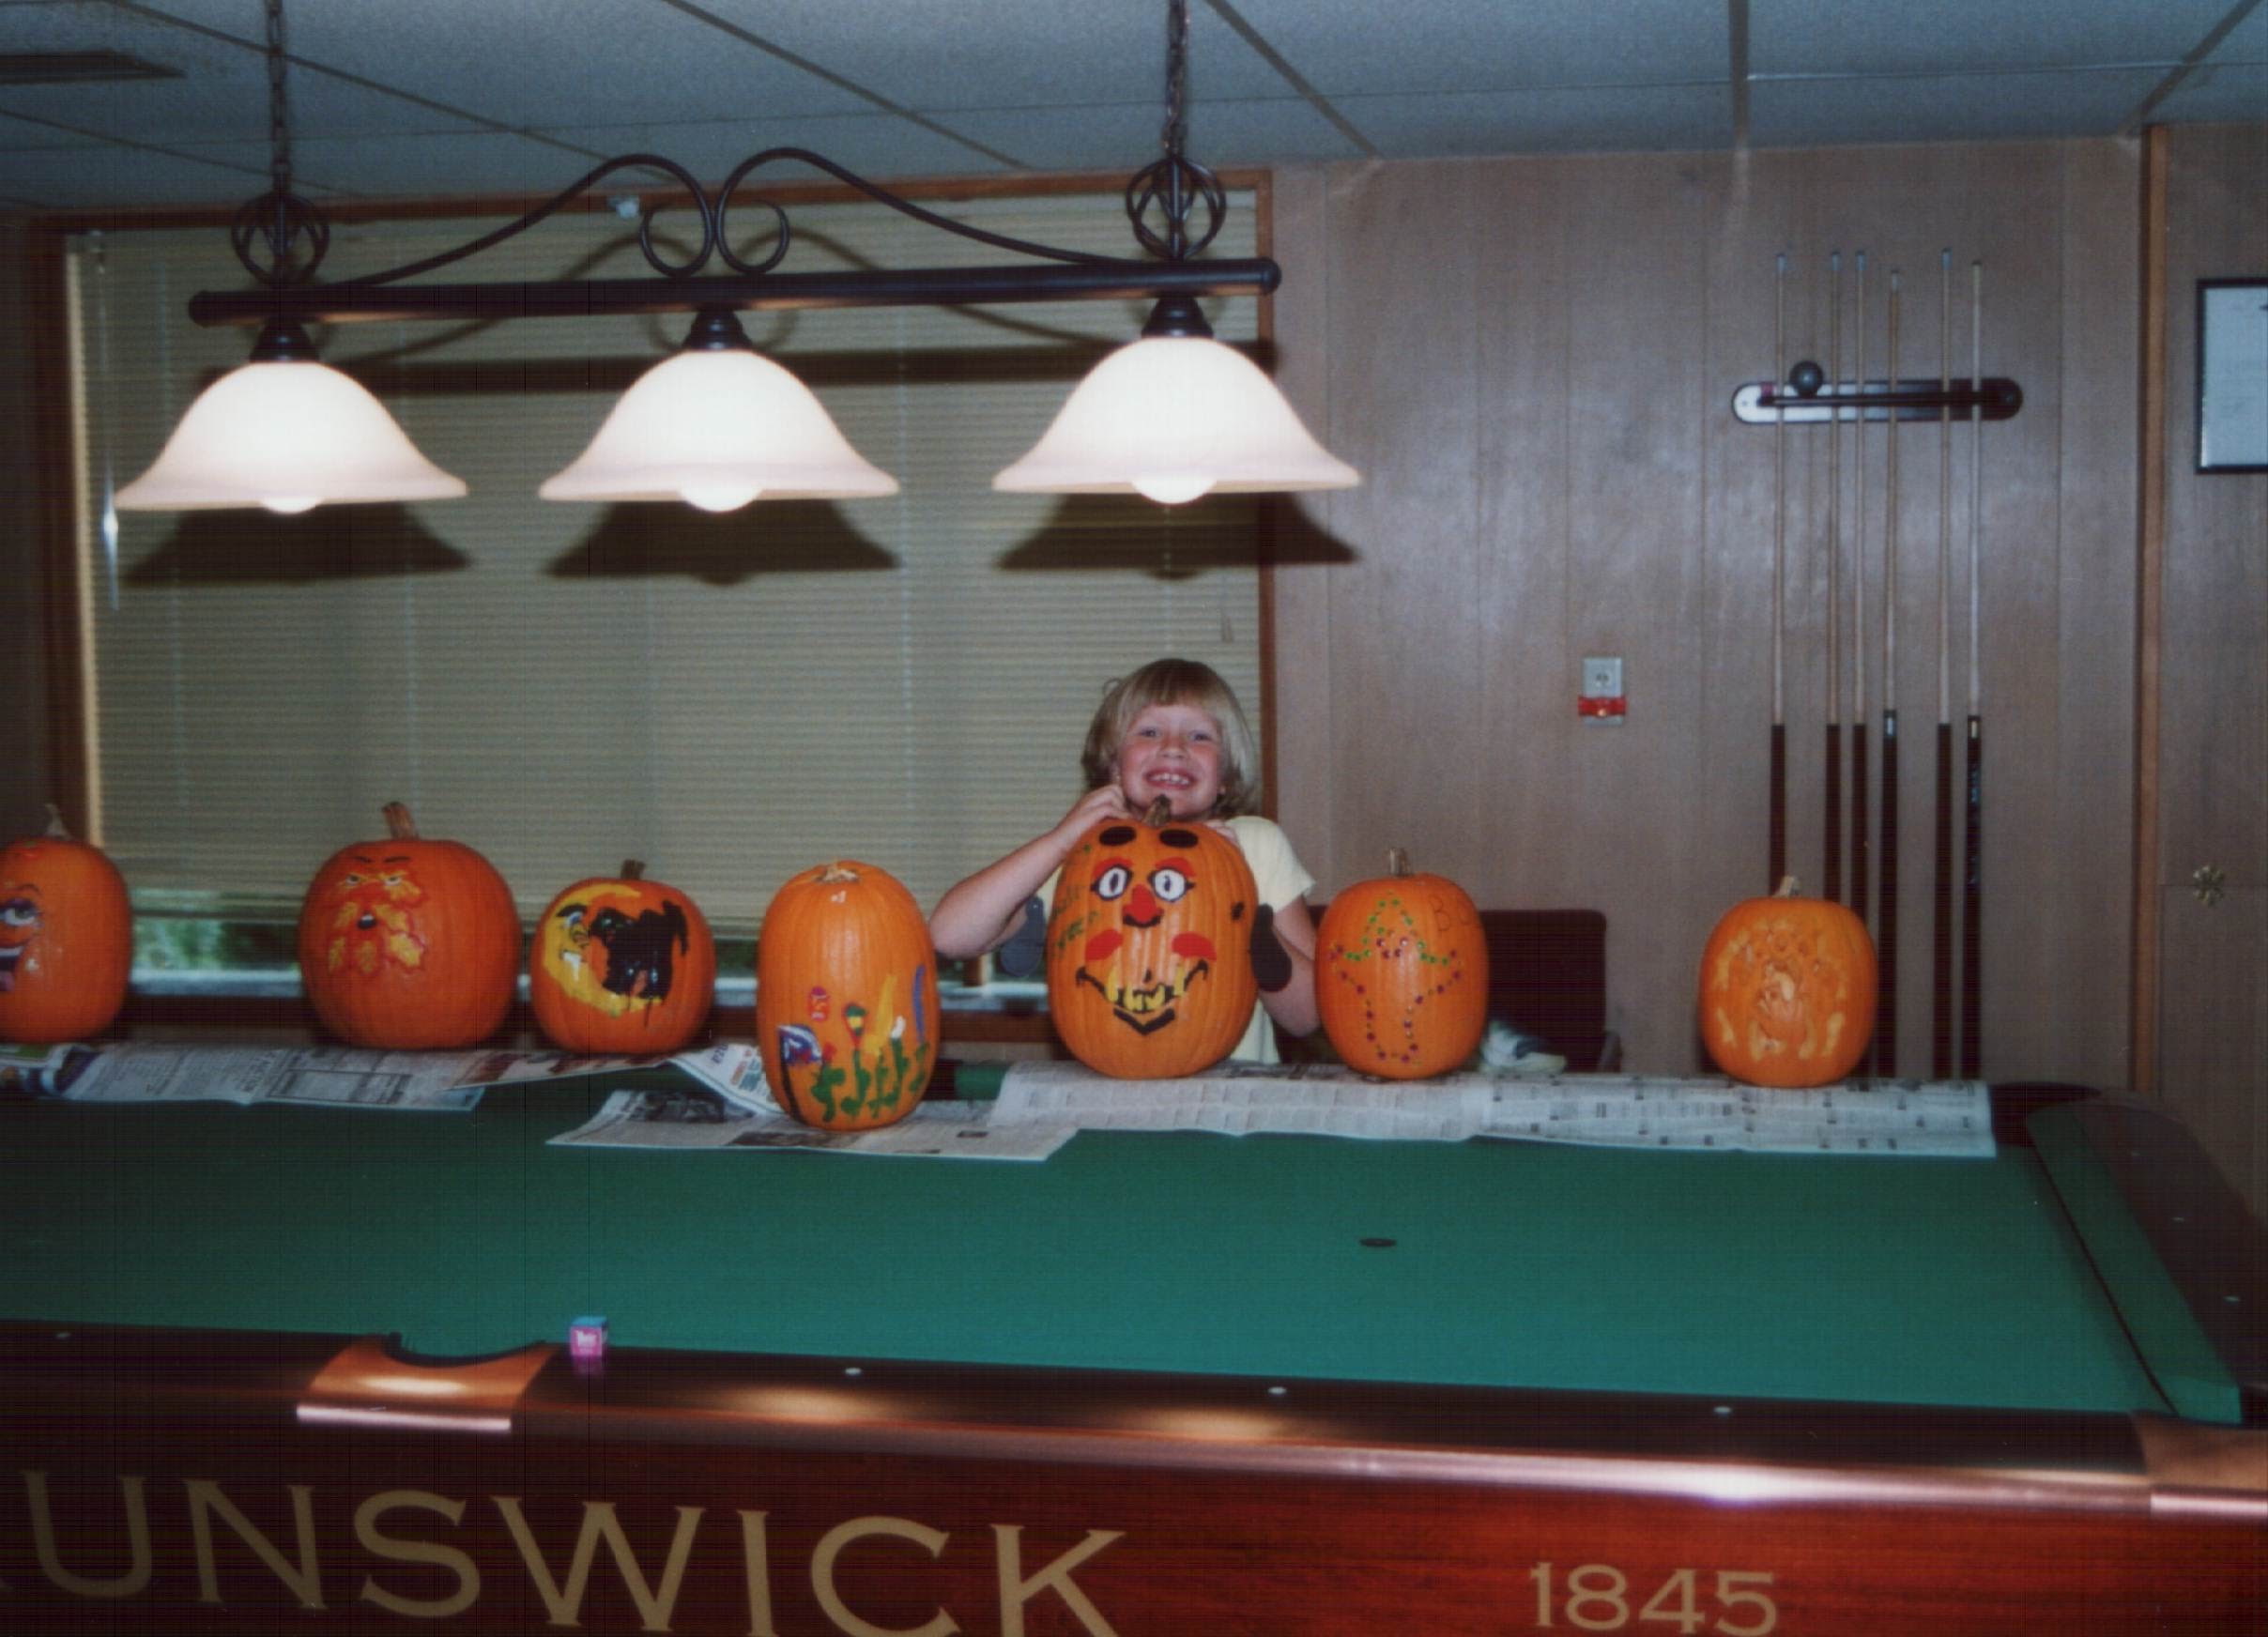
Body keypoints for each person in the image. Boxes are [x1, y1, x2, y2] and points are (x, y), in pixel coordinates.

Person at [928, 658, 1318, 1064]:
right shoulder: (1087, 857)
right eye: (1149, 732)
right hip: (1108, 1095)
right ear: (1114, 766)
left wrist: (1241, 895)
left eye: (1200, 736)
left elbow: (1306, 1016)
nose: (1173, 747)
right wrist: (1060, 842)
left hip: (1231, 1106)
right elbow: (950, 935)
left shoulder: (1256, 844)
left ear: (1225, 777)